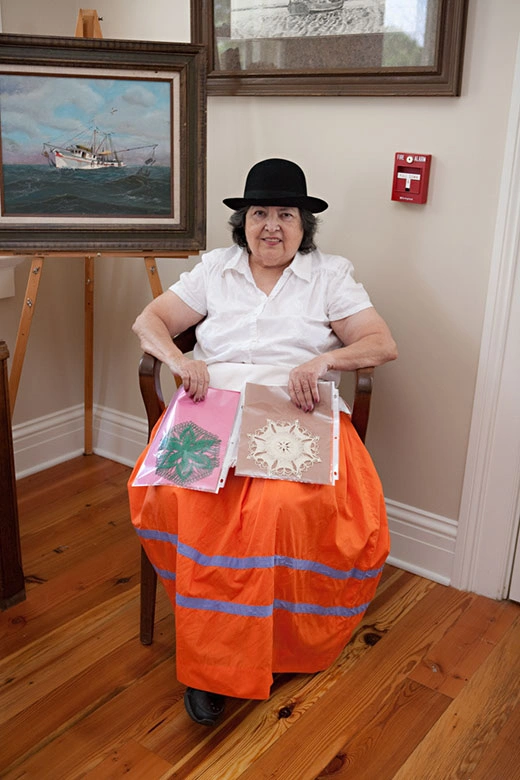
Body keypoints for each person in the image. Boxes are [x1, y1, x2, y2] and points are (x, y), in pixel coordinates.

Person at [128, 158, 397, 726]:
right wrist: (179, 360)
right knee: (186, 499)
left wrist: (324, 361)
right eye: (259, 214)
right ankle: (214, 663)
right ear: (243, 223)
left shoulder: (330, 275)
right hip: (213, 400)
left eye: (285, 214)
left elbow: (380, 343)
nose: (271, 226)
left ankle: (274, 646)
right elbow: (149, 321)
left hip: (292, 405)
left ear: (304, 225)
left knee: (282, 507)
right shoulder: (214, 269)